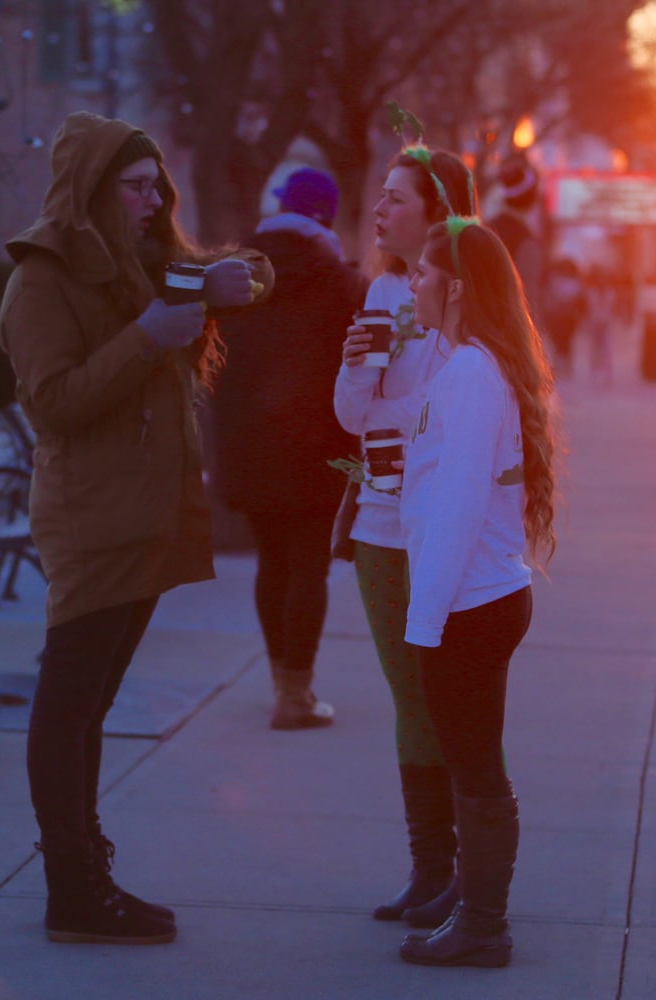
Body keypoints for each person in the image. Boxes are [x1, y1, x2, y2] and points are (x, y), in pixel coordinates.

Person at [0, 111, 272, 944]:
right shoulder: (42, 282)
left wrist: (236, 282)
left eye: (159, 186)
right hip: (91, 518)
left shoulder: (144, 263)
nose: (154, 201)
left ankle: (87, 879)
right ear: (91, 190)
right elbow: (55, 404)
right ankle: (73, 887)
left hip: (146, 512)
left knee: (93, 702)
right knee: (70, 699)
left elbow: (249, 268)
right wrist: (146, 337)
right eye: (137, 185)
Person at [397, 217, 558, 968]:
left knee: (474, 766)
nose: (411, 284)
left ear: (455, 286)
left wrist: (422, 622)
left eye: (423, 274)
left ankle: (483, 925)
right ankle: (471, 907)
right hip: (478, 597)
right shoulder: (466, 363)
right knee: (472, 760)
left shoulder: (470, 375)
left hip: (469, 604)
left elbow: (457, 505)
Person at [332, 145, 476, 930]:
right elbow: (354, 419)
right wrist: (358, 367)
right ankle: (430, 869)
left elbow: (462, 413)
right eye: (378, 196)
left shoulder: (469, 299)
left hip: (445, 531)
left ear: (437, 210)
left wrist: (405, 377)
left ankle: (470, 872)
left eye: (395, 198)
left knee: (453, 701)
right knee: (409, 701)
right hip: (383, 525)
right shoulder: (383, 290)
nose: (379, 210)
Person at [214, 167, 366, 729]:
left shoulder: (237, 274)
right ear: (326, 214)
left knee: (270, 562)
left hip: (249, 444)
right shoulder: (342, 281)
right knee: (309, 566)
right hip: (317, 444)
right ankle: (296, 696)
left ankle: (282, 681)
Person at [486, 152, 545, 317]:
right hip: (507, 329)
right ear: (532, 199)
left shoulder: (485, 229)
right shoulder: (527, 242)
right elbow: (528, 301)